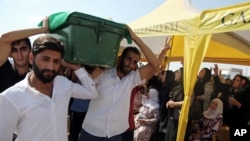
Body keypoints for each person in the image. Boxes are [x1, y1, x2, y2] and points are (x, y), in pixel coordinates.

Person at [0, 26, 98, 141]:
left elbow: (92, 93)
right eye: (45, 59)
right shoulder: (10, 98)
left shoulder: (62, 83)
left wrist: (76, 68)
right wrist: (44, 28)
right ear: (32, 58)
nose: (51, 67)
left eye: (56, 61)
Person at [79, 25, 162, 141]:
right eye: (129, 59)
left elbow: (155, 64)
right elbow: (85, 84)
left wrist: (135, 38)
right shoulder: (103, 73)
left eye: (135, 62)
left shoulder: (132, 79)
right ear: (121, 58)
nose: (131, 64)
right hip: (91, 131)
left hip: (115, 134)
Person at [164, 67, 184, 141]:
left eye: (178, 72)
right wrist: (169, 102)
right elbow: (172, 98)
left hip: (178, 119)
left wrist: (174, 104)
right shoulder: (178, 86)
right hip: (172, 117)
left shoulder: (187, 88)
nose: (175, 74)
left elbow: (188, 102)